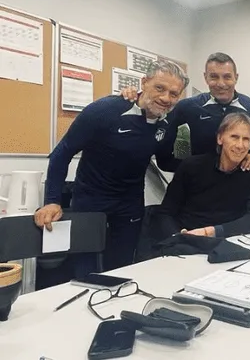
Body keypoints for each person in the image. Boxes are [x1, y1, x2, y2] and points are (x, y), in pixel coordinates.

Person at [34, 60, 189, 275]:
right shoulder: (105, 110)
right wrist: (52, 201)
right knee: (84, 270)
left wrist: (193, 154)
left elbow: (165, 161)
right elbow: (62, 153)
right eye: (160, 88)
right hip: (90, 200)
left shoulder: (168, 123)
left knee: (121, 268)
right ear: (144, 83)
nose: (165, 98)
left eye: (174, 94)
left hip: (130, 203)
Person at [121, 52, 250, 172]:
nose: (221, 83)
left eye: (227, 77)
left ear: (236, 78)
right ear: (205, 77)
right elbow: (157, 119)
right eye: (214, 77)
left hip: (239, 185)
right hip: (200, 187)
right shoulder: (189, 107)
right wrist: (134, 97)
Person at [153, 112, 250, 239]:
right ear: (220, 138)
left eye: (246, 139)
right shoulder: (191, 166)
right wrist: (177, 236)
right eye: (234, 137)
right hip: (186, 239)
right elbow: (166, 212)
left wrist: (211, 232)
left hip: (228, 241)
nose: (240, 145)